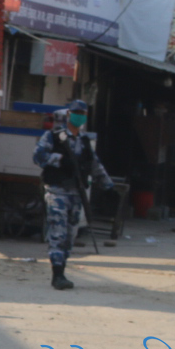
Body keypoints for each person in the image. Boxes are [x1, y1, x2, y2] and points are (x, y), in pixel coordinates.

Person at [33, 98, 113, 291]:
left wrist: (108, 186)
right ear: (68, 114)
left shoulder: (84, 141)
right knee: (58, 234)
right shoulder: (53, 136)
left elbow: (95, 165)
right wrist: (60, 160)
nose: (80, 116)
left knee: (70, 235)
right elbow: (38, 156)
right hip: (57, 192)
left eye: (83, 113)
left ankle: (62, 270)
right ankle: (57, 275)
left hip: (77, 194)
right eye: (76, 112)